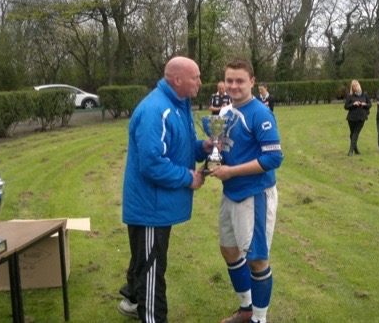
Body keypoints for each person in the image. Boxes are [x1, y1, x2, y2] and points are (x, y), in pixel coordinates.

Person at [118, 56, 212, 322]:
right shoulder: (155, 110)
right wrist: (187, 178)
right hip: (150, 208)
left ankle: (130, 298)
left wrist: (202, 147)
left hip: (157, 207)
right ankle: (151, 316)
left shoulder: (180, 105)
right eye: (196, 77)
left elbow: (178, 147)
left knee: (148, 258)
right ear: (177, 80)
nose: (200, 82)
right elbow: (152, 163)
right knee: (152, 270)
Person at [210, 58, 283, 323]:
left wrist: (231, 171)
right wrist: (215, 162)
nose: (234, 85)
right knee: (229, 250)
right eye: (229, 80)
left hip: (254, 196)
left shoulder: (260, 113)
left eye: (240, 80)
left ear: (252, 81)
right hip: (230, 193)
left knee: (256, 260)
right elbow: (224, 148)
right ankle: (246, 309)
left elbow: (273, 159)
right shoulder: (225, 112)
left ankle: (259, 320)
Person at [344, 80, 371, 156]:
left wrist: (365, 104)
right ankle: (356, 150)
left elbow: (370, 104)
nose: (356, 87)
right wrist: (353, 104)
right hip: (352, 118)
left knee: (356, 133)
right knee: (352, 134)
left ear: (359, 85)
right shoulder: (350, 96)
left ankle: (351, 150)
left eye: (356, 85)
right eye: (354, 86)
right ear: (352, 88)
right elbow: (346, 107)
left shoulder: (365, 94)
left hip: (361, 117)